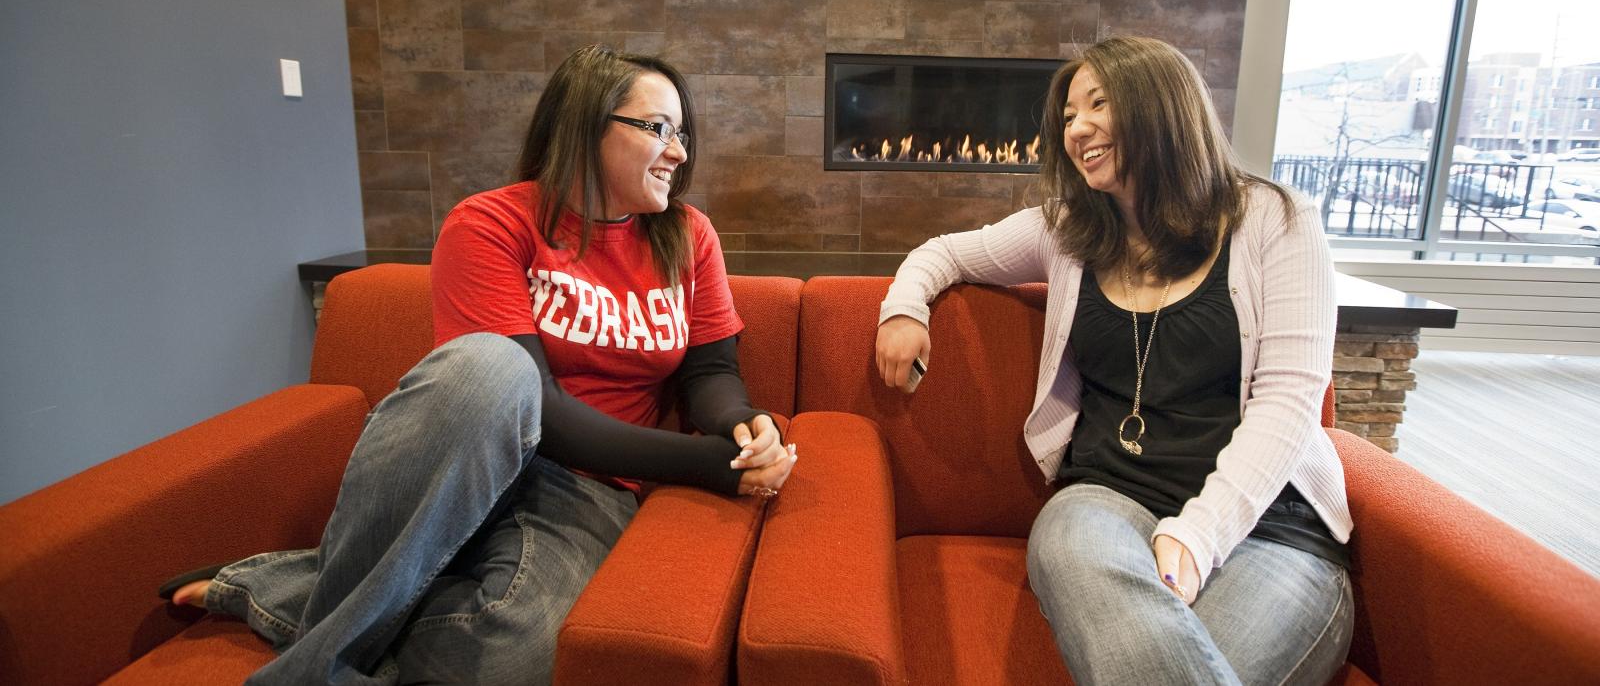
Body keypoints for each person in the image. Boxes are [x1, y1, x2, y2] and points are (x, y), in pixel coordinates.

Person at [161, 44, 797, 685]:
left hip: (590, 489)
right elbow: (533, 407)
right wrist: (699, 465)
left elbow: (708, 371)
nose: (680, 152)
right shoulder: (492, 222)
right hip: (462, 459)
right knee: (493, 368)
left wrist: (741, 428)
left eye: (681, 133)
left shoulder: (688, 235)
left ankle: (295, 587)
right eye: (658, 128)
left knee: (512, 656)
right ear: (583, 126)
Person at [875, 36, 1353, 685]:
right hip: (1107, 504)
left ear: (1161, 106)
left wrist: (1197, 535)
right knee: (1066, 537)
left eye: (1098, 104)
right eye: (1069, 114)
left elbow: (1290, 403)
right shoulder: (1067, 228)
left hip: (1266, 531)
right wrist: (904, 309)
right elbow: (945, 253)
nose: (1077, 128)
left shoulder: (1278, 223)